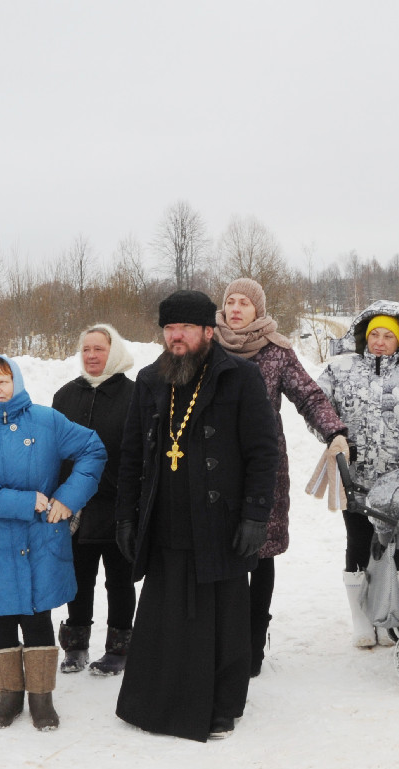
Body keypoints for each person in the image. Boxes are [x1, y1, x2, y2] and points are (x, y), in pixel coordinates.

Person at [114, 290, 279, 741]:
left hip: (220, 523)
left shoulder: (239, 377)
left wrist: (254, 516)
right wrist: (126, 518)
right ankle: (154, 702)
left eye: (184, 328)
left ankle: (221, 707)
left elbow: (264, 453)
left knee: (223, 617)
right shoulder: (151, 380)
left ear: (209, 331)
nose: (175, 337)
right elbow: (132, 455)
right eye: (168, 329)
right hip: (165, 521)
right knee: (165, 615)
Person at [0, 355, 105, 729]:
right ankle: (8, 696)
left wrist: (68, 497)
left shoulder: (47, 420)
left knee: (37, 619)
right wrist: (21, 501)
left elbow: (92, 449)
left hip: (39, 541)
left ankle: (41, 697)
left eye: (3, 382)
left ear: (16, 383)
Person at [214, 278, 347, 676]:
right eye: (230, 302)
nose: (236, 309)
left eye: (244, 304)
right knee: (220, 552)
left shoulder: (277, 352)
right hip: (215, 468)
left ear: (259, 310)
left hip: (263, 467)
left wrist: (334, 432)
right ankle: (221, 639)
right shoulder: (208, 347)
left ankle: (254, 643)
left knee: (261, 551)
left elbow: (308, 395)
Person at [317, 300, 399, 647]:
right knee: (358, 541)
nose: (380, 341)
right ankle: (361, 620)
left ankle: (388, 613)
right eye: (375, 334)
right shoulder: (340, 369)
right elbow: (318, 408)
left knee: (392, 544)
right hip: (352, 473)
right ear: (364, 336)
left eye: (389, 335)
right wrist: (335, 437)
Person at [51, 325, 136, 676]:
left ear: (113, 351)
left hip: (118, 505)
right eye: (86, 349)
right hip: (77, 507)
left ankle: (118, 649)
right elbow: (54, 451)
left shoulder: (134, 395)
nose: (91, 356)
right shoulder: (65, 395)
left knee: (120, 580)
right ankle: (76, 646)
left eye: (99, 349)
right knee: (78, 578)